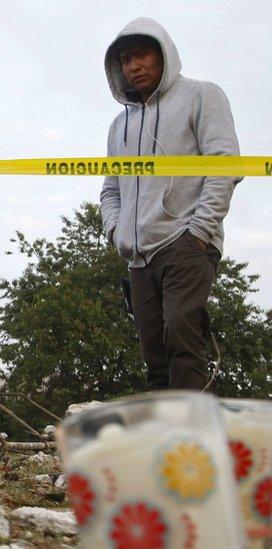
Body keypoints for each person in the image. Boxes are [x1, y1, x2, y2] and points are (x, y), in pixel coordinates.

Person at [100, 18, 242, 391]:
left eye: (142, 54)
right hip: (138, 256)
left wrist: (198, 232)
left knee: (182, 339)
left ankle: (193, 439)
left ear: (164, 54)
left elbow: (226, 166)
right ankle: (165, 442)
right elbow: (110, 189)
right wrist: (116, 232)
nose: (134, 66)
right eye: (126, 59)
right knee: (155, 356)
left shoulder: (202, 95)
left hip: (185, 243)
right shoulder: (119, 126)